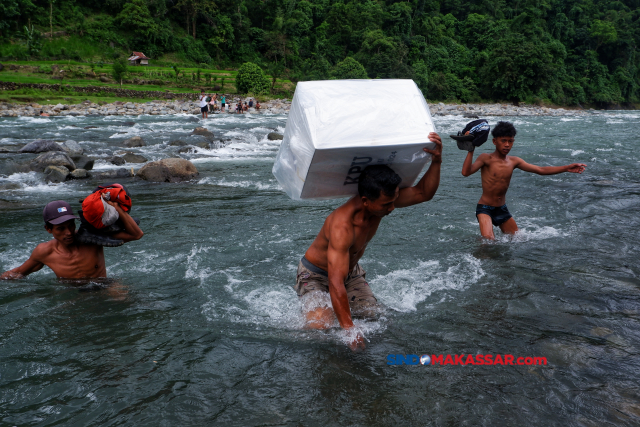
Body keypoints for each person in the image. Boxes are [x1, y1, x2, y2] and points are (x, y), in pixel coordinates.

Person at [294, 132, 443, 350]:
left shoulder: (383, 199)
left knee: (377, 322)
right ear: (366, 201)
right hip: (317, 275)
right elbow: (335, 283)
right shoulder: (341, 226)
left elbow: (423, 193)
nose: (392, 208)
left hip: (350, 271)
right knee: (321, 331)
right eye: (386, 205)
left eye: (394, 201)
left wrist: (437, 161)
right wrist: (349, 329)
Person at [461, 121, 586, 239]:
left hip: (501, 209)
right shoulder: (485, 158)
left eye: (510, 141)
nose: (507, 145)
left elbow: (540, 170)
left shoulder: (514, 161)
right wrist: (470, 150)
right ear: (494, 141)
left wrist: (566, 168)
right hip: (485, 208)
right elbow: (466, 172)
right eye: (503, 141)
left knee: (518, 239)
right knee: (488, 240)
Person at [0, 200, 143, 281]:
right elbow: (18, 273)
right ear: (48, 229)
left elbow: (136, 235)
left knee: (124, 297)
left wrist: (117, 208)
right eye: (60, 229)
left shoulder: (91, 237)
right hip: (71, 293)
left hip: (103, 286)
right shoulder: (44, 252)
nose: (68, 233)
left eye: (70, 226)